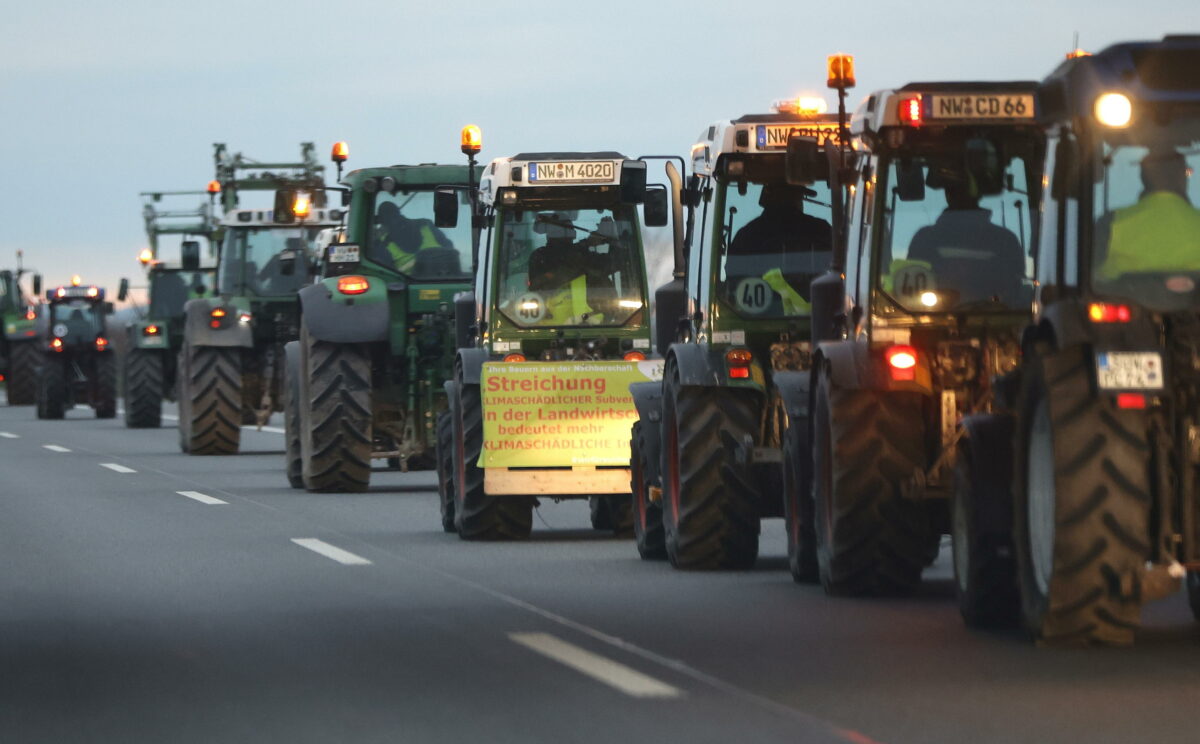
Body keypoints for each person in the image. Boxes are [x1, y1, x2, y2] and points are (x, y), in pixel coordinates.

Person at [904, 174, 1025, 305]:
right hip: (991, 320)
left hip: (991, 320)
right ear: (979, 195)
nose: (960, 195)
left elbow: (910, 292)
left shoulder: (925, 238)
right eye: (955, 190)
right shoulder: (1005, 239)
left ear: (947, 195)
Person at [726, 183, 832, 313]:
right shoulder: (821, 230)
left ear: (766, 198)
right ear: (796, 197)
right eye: (800, 196)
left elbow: (733, 282)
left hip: (759, 319)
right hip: (822, 322)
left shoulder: (747, 235)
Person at [1097, 147, 1200, 280]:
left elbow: (1089, 270)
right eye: (1187, 172)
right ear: (1181, 178)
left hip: (1119, 297)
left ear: (1144, 178)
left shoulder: (1111, 222)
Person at [527, 213, 619, 324]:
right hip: (551, 327)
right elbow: (563, 261)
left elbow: (614, 263)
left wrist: (613, 239)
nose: (562, 235)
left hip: (588, 326)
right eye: (561, 231)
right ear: (573, 235)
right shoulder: (541, 257)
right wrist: (589, 242)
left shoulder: (583, 256)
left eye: (565, 231)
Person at [372, 200, 458, 276]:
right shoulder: (426, 226)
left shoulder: (383, 244)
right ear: (399, 214)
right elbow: (449, 248)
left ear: (383, 222)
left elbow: (386, 275)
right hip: (445, 278)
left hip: (409, 287)